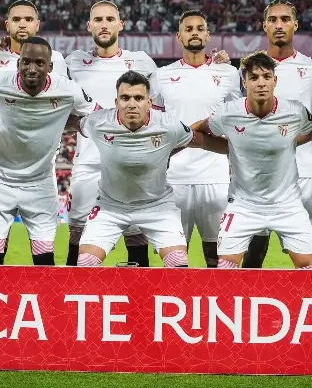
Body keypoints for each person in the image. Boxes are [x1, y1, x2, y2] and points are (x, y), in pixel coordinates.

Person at [76, 71, 229, 267]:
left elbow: (201, 141)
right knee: (86, 263)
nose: (132, 104)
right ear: (116, 101)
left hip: (157, 207)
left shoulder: (168, 124)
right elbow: (71, 123)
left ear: (149, 102)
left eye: (139, 98)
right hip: (110, 206)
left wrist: (240, 150)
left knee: (178, 264)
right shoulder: (97, 121)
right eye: (125, 98)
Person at [193, 51, 312, 269]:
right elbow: (197, 131)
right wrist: (168, 145)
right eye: (254, 78)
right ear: (244, 82)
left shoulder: (294, 111)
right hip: (243, 205)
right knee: (226, 267)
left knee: (309, 269)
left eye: (266, 77)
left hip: (288, 205)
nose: (261, 83)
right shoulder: (228, 113)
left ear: (275, 81)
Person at [0, 37, 98, 266]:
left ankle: (43, 302)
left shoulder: (68, 90)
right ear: (17, 63)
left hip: (40, 182)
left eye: (39, 63)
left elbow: (98, 116)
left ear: (50, 67)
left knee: (44, 260)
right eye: (26, 62)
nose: (31, 68)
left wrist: (72, 124)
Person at [64, 1, 158, 267]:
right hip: (89, 163)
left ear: (121, 25)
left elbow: (160, 107)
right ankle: (74, 301)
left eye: (109, 19)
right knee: (76, 235)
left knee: (136, 237)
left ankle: (139, 303)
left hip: (132, 164)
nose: (104, 24)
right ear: (89, 26)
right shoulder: (73, 62)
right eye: (98, 19)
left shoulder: (141, 61)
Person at [149, 10, 240, 268]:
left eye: (200, 28)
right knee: (176, 258)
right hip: (175, 177)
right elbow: (156, 125)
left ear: (208, 35)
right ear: (179, 36)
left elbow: (236, 122)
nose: (195, 32)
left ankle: (215, 306)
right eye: (188, 29)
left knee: (218, 256)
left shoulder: (228, 74)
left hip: (216, 176)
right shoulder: (162, 75)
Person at [242, 0, 312, 269]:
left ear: (295, 24)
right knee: (254, 253)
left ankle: (307, 307)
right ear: (265, 25)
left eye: (285, 19)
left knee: (305, 258)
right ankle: (248, 309)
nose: (279, 25)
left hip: (303, 172)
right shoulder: (248, 71)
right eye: (273, 20)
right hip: (258, 176)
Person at [0, 0, 67, 76]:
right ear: (7, 25)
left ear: (37, 25)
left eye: (28, 19)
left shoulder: (56, 59)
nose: (22, 25)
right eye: (16, 19)